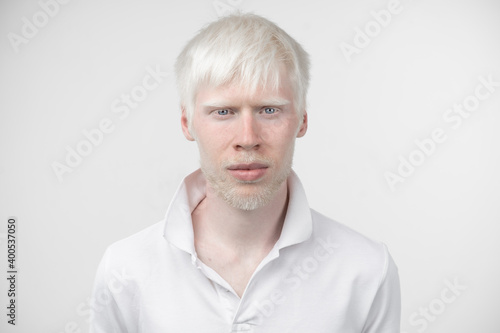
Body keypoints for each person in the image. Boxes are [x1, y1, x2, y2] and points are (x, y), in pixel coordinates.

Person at [90, 13, 401, 333]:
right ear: (187, 123)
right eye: (223, 112)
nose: (248, 139)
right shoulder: (126, 270)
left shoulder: (366, 271)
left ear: (302, 120)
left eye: (269, 110)